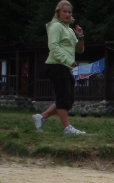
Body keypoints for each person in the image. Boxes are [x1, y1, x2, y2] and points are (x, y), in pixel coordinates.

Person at [32, 1, 86, 135]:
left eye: (69, 12)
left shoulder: (69, 30)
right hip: (55, 65)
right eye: (64, 11)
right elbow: (53, 47)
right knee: (63, 96)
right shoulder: (55, 26)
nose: (67, 14)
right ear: (58, 13)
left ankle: (41, 117)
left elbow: (79, 50)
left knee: (68, 98)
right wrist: (69, 61)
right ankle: (67, 128)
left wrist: (80, 36)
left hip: (64, 67)